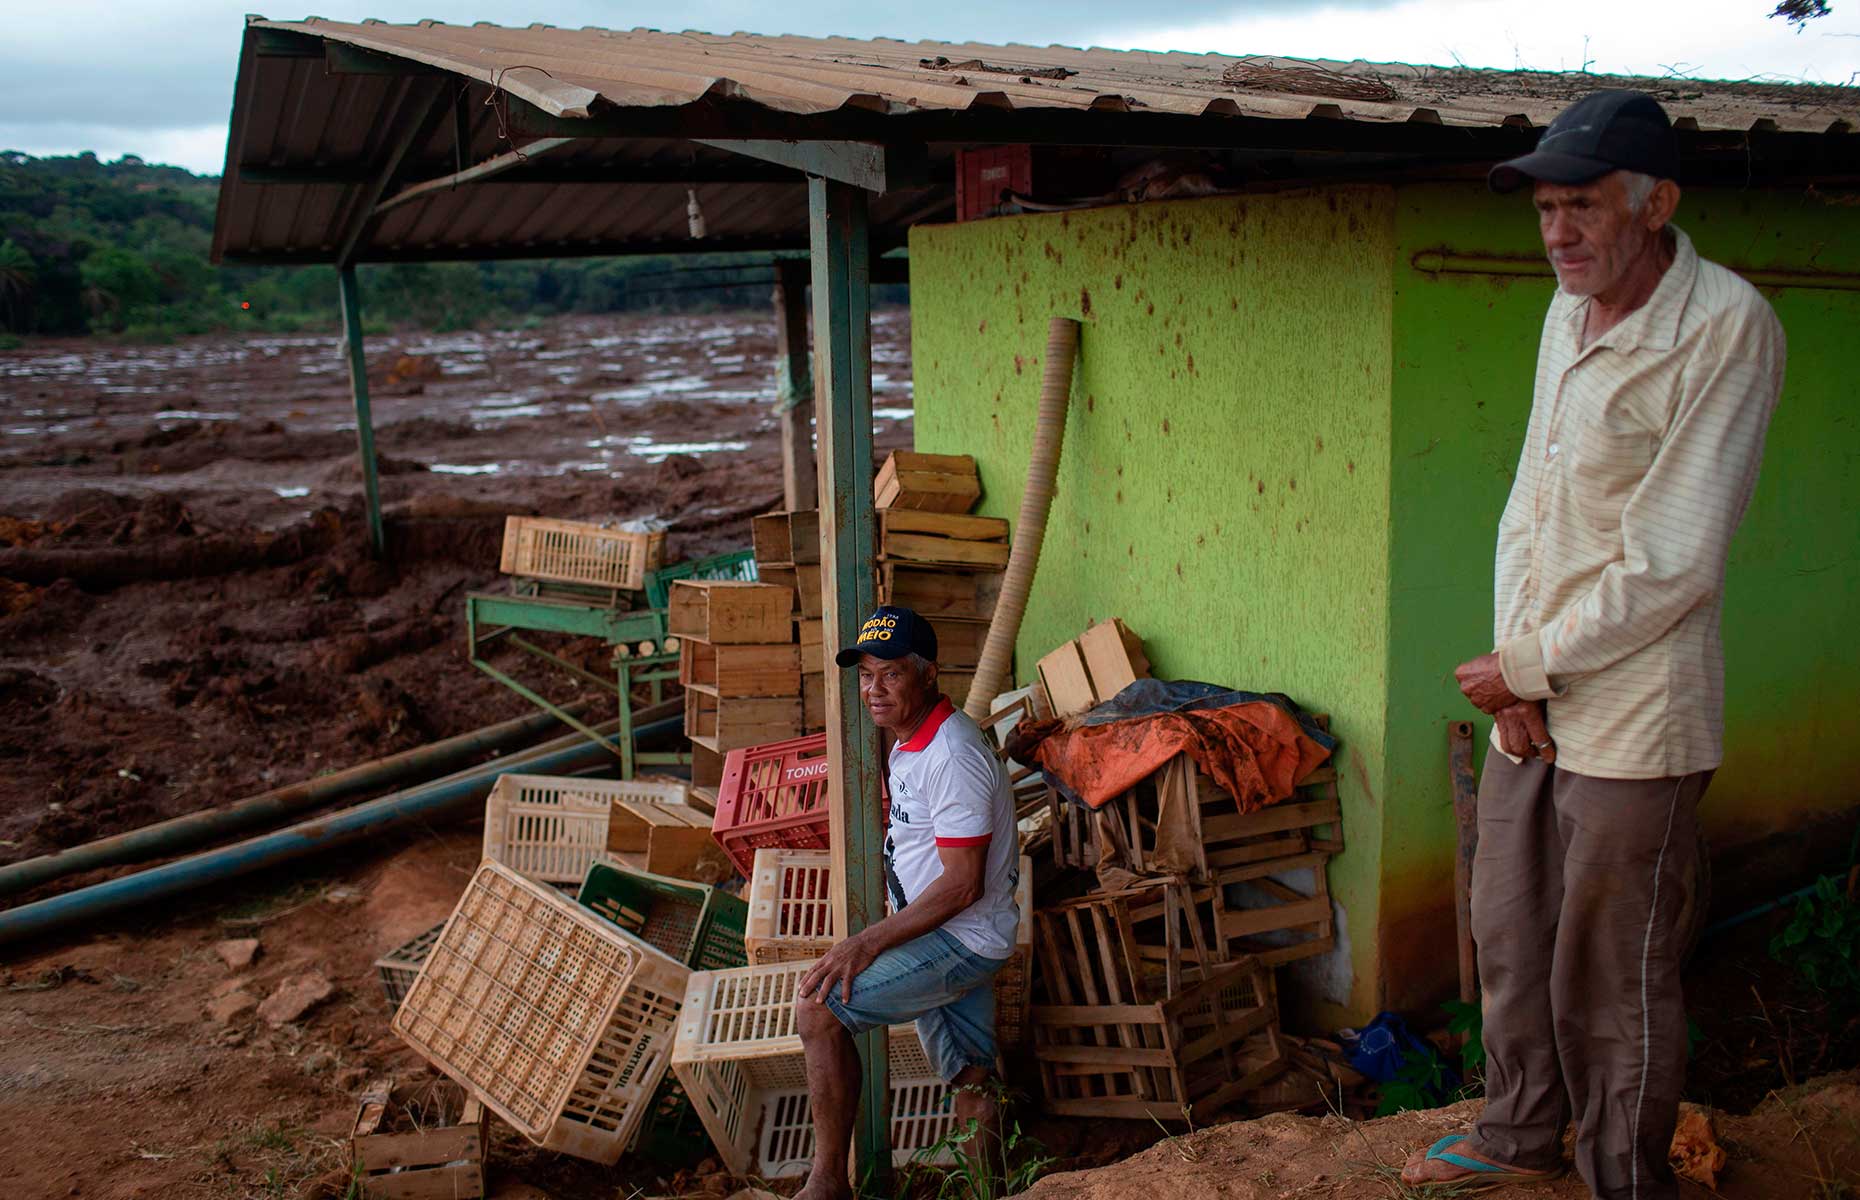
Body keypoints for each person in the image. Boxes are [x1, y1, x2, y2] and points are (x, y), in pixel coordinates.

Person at [1405, 90, 1786, 1198]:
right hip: (1535, 692)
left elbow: (1674, 562)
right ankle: (1519, 1135)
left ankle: (1623, 1174)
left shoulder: (1725, 327)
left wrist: (1526, 666)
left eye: (1583, 206)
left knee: (1612, 972)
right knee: (1511, 929)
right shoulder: (1565, 313)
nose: (1558, 233)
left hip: (1636, 709)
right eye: (1545, 210)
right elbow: (1530, 509)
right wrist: (1516, 675)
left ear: (1657, 205)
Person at [793, 605, 1020, 1200]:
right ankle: (991, 1191)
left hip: (957, 938)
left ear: (928, 674)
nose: (874, 689)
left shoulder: (952, 755)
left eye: (891, 674)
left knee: (818, 1010)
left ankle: (827, 1184)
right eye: (867, 675)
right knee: (971, 1075)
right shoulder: (912, 741)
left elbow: (963, 883)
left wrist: (866, 942)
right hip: (948, 931)